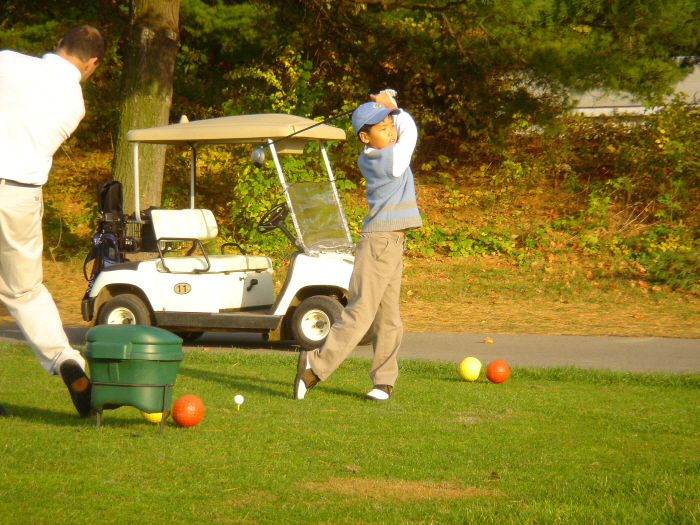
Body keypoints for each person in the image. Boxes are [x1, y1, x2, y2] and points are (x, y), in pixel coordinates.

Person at [0, 25, 105, 417]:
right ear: (91, 63)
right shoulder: (75, 104)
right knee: (24, 292)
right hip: (20, 194)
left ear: (59, 43)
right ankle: (65, 359)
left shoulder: (7, 62)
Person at [294, 91, 423, 401]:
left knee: (388, 317)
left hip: (391, 241)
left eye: (391, 124)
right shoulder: (385, 159)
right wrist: (394, 107)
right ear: (365, 137)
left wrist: (388, 106)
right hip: (380, 241)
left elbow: (403, 130)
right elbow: (411, 131)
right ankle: (314, 364)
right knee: (361, 312)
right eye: (382, 127)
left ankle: (383, 382)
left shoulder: (383, 152)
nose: (391, 128)